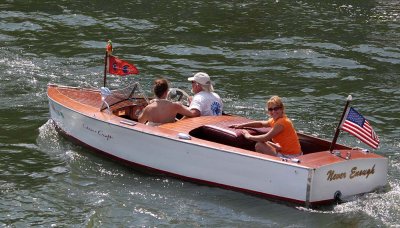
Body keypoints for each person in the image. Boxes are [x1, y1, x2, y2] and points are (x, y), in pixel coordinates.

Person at [230, 96, 302, 158]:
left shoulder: (282, 122)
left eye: (276, 108)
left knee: (259, 145)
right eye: (270, 109)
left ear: (282, 109)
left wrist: (248, 136)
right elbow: (260, 124)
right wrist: (242, 125)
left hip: (291, 157)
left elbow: (265, 138)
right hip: (285, 151)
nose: (273, 111)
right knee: (267, 143)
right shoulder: (276, 120)